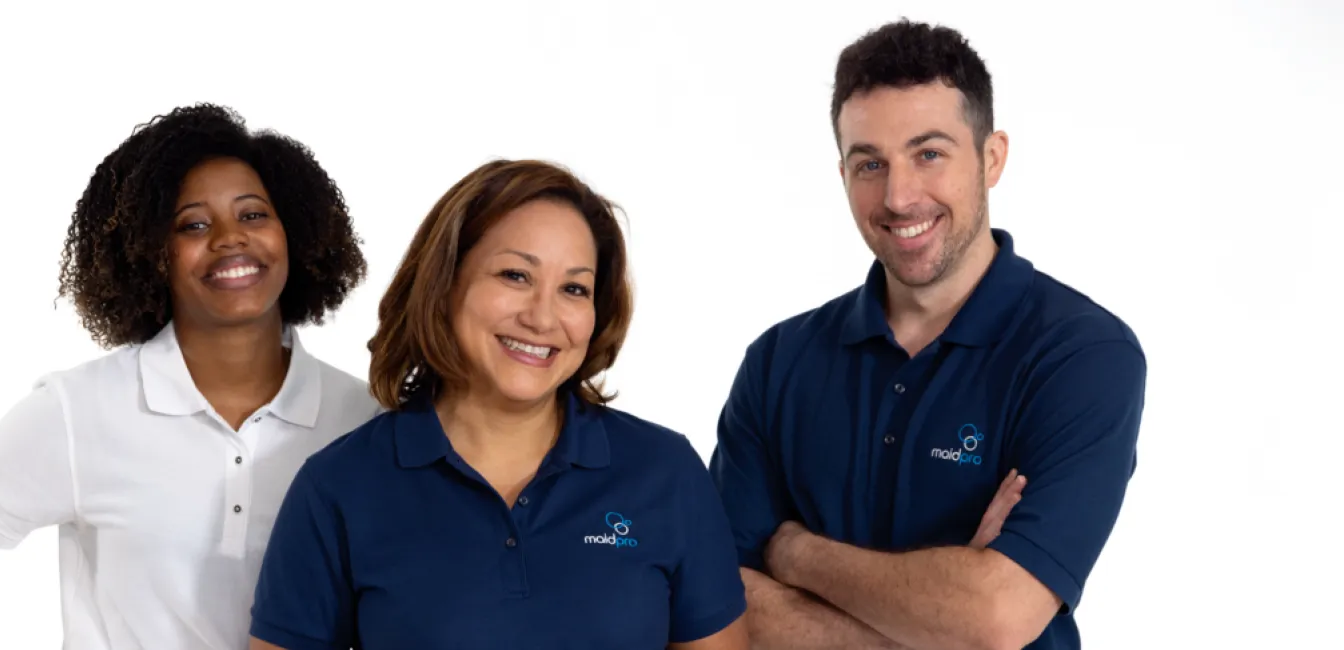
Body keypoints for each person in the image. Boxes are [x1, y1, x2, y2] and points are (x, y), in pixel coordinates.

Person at [708, 19, 1148, 650]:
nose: (898, 196)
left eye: (929, 154)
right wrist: (944, 622)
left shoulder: (1082, 356)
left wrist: (795, 552)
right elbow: (719, 610)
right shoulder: (779, 362)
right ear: (841, 175)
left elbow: (996, 616)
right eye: (869, 164)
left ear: (991, 158)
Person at [0, 104, 382, 650]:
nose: (230, 238)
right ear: (151, 254)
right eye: (193, 224)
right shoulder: (80, 410)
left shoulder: (362, 421)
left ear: (296, 232)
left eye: (254, 214)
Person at [246, 159, 750, 650]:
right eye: (515, 276)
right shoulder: (338, 487)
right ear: (444, 284)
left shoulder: (665, 473)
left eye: (574, 288)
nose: (542, 316)